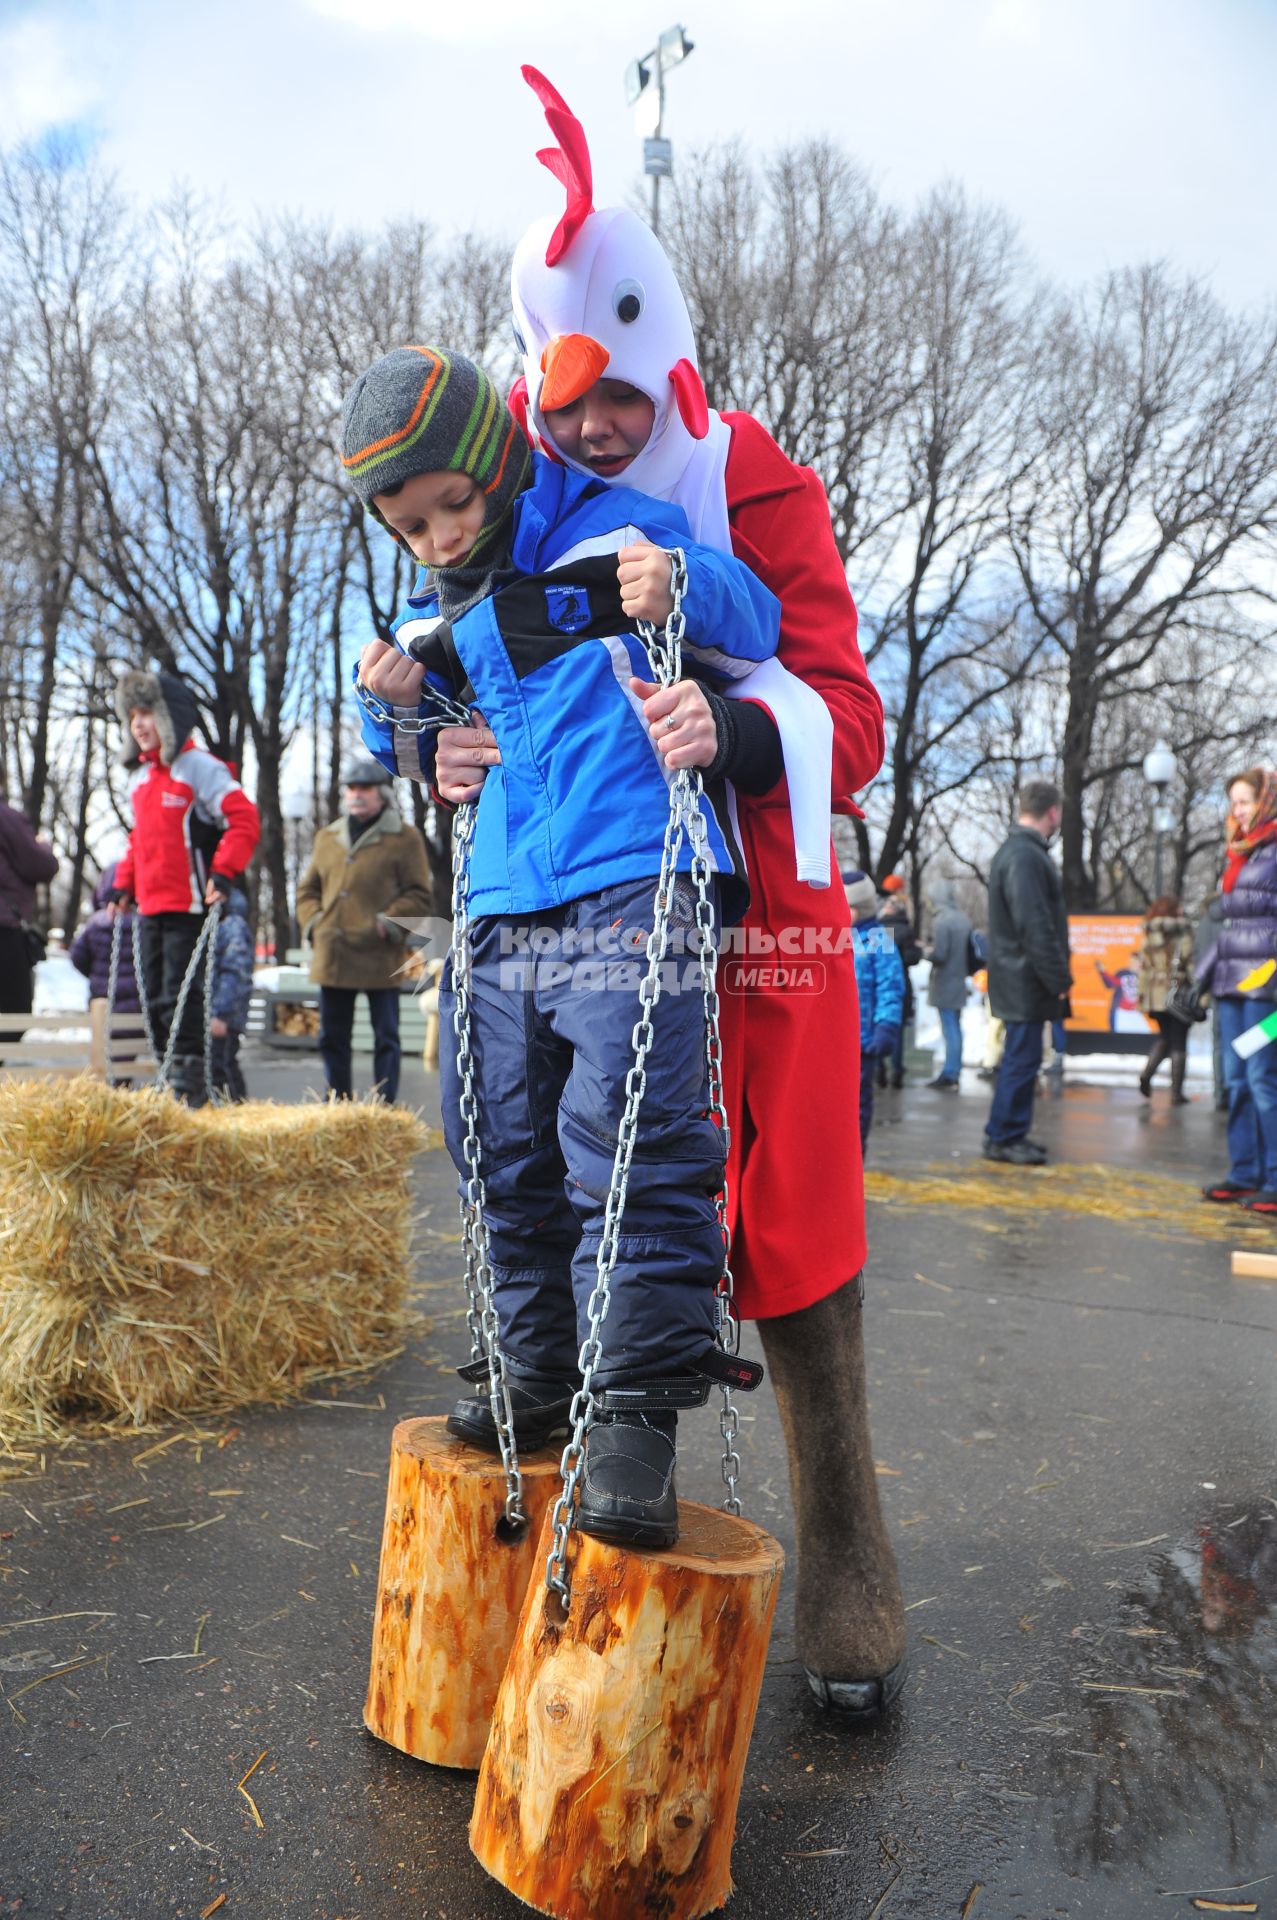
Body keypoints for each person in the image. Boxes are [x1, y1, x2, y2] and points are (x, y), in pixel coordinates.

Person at [489, 68, 905, 1715]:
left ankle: (852, 1573)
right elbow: (509, 684)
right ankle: (596, 1576)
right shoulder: (533, 510)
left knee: (790, 1242)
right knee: (584, 1204)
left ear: (665, 365)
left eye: (617, 399)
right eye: (566, 405)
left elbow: (849, 715)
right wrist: (458, 746)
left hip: (763, 929)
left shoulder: (755, 485)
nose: (597, 431)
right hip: (596, 908)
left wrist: (731, 725)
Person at [345, 345, 783, 1552]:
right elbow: (409, 715)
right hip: (498, 894)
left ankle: (633, 1408)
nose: (435, 536)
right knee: (495, 1131)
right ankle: (535, 1365)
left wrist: (676, 578)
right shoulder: (444, 608)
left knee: (630, 1139)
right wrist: (397, 715)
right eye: (407, 523)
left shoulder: (608, 538)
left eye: (451, 506)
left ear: (493, 462)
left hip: (631, 870)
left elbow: (756, 620)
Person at [111, 671, 260, 1105]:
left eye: (148, 714)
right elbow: (138, 841)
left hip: (189, 904)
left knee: (181, 995)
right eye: (132, 715)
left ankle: (190, 1083)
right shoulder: (138, 781)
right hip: (149, 907)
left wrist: (224, 871)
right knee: (153, 997)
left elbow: (244, 819)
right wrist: (123, 885)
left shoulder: (199, 768)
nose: (139, 724)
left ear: (169, 717)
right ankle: (166, 1074)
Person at [296, 755, 432, 1107]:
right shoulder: (328, 837)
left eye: (365, 788)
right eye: (352, 788)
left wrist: (387, 923)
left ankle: (384, 1107)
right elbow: (307, 891)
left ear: (382, 794)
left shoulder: (404, 838)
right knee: (331, 1036)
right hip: (333, 951)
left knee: (386, 1036)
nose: (357, 795)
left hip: (378, 951)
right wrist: (314, 923)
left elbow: (419, 894)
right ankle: (337, 1103)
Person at [1197, 767, 1277, 1216]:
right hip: (1232, 991)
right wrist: (1199, 980)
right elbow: (1229, 931)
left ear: (1265, 801)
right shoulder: (1240, 856)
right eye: (1233, 803)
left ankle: (1275, 1179)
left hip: (1266, 994)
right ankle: (1245, 1172)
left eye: (1244, 801)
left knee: (1263, 1080)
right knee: (1236, 1081)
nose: (1238, 810)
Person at [983, 780, 1072, 1165]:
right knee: (1021, 1060)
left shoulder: (1020, 852)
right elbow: (1035, 926)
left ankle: (1010, 1133)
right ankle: (1003, 1137)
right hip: (1024, 980)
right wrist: (1059, 980)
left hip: (1020, 977)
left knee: (1023, 1058)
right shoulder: (1025, 856)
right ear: (1052, 811)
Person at [844, 870, 904, 1151]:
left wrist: (887, 1024)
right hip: (833, 1039)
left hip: (863, 1039)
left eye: (850, 908)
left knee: (857, 1105)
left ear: (864, 907)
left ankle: (855, 1155)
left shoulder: (879, 939)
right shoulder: (832, 936)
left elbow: (890, 986)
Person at [68, 862, 145, 1079]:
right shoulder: (143, 923)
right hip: (134, 1001)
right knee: (125, 1057)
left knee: (104, 1052)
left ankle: (112, 1090)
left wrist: (96, 975)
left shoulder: (96, 922)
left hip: (102, 1000)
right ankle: (120, 1089)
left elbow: (77, 956)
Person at [0, 796, 58, 1018]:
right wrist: (42, 846)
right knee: (14, 1010)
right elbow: (40, 866)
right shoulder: (7, 818)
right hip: (4, 928)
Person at [1135, 895, 1194, 1104]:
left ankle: (1146, 1075)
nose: (1181, 910)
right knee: (1179, 1042)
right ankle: (1176, 1093)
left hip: (1155, 995)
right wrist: (1199, 991)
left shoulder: (1148, 934)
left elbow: (1143, 968)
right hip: (1177, 993)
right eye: (1178, 907)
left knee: (1165, 1038)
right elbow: (1190, 962)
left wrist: (1141, 995)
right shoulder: (1181, 932)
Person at [924, 880, 973, 1091]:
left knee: (950, 1029)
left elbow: (940, 954)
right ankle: (954, 1069)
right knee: (956, 1028)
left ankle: (950, 1072)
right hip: (959, 979)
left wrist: (926, 952)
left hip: (944, 981)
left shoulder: (942, 921)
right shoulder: (963, 919)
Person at [208, 885, 256, 1102]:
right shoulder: (225, 926)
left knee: (223, 1064)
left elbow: (235, 973)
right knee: (223, 1062)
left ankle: (236, 1108)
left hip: (224, 1014)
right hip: (223, 1011)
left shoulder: (232, 927)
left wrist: (221, 1014)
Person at [878, 877, 922, 1088]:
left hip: (879, 985)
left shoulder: (877, 930)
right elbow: (913, 958)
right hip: (901, 985)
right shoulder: (906, 931)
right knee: (898, 1030)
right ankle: (897, 1070)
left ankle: (879, 1069)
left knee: (878, 1025)